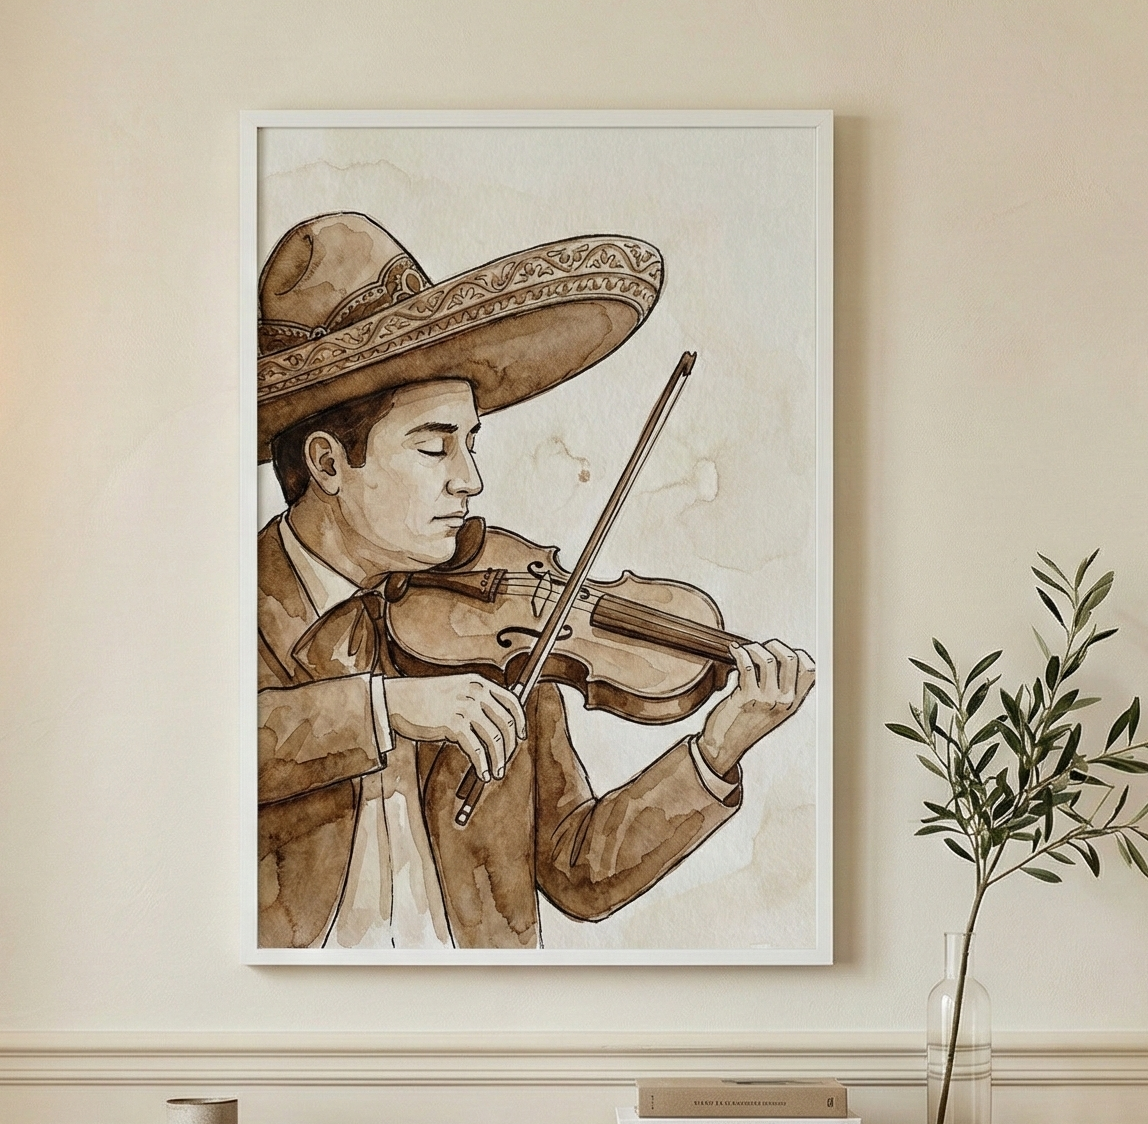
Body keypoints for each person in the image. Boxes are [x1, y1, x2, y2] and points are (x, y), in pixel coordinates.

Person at [255, 212, 815, 949]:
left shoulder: (491, 626)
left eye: (471, 442)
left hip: (492, 1037)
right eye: (434, 448)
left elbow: (578, 873)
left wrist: (716, 751)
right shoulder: (225, 608)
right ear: (328, 465)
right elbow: (204, 759)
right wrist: (386, 709)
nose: (471, 480)